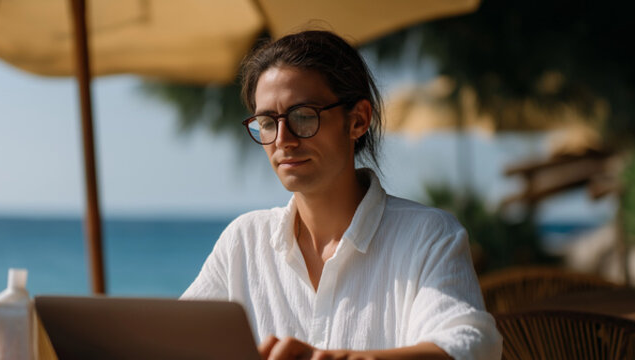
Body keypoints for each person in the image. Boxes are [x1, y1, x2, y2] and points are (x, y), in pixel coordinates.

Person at [181, 30, 502, 360]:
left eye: (303, 116)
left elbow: (469, 342)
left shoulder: (427, 236)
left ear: (358, 120)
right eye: (266, 121)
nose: (282, 140)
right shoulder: (244, 242)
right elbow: (171, 340)